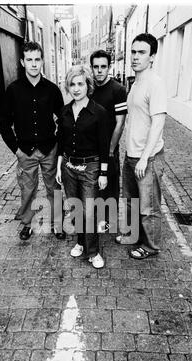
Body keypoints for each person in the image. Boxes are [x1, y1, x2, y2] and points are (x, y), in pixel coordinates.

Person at [0, 41, 65, 241]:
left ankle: (57, 224)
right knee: (27, 188)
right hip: (25, 150)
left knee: (53, 188)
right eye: (29, 60)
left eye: (37, 59)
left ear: (42, 61)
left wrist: (59, 149)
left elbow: (63, 121)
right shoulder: (13, 90)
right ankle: (27, 223)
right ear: (22, 62)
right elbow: (4, 123)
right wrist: (16, 150)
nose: (34, 64)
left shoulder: (52, 90)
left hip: (49, 148)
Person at [116, 33, 167, 259]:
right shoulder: (136, 82)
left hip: (147, 157)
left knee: (149, 207)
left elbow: (158, 122)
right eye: (133, 52)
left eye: (141, 52)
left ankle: (151, 246)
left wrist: (145, 157)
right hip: (131, 154)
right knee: (132, 203)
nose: (135, 57)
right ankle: (135, 236)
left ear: (152, 56)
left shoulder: (155, 83)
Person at [56, 65, 110, 269]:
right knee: (75, 208)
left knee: (89, 211)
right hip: (69, 166)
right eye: (72, 84)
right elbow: (61, 140)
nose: (76, 88)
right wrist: (60, 164)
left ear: (88, 85)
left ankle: (93, 251)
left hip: (91, 168)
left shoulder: (99, 112)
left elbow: (104, 146)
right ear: (68, 87)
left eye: (80, 84)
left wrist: (103, 173)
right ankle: (80, 242)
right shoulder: (65, 111)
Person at [90, 50, 127, 232]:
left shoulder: (118, 90)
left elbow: (120, 124)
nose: (99, 71)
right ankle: (96, 218)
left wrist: (110, 150)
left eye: (103, 67)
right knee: (94, 184)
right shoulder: (89, 88)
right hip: (91, 149)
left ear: (109, 67)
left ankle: (109, 221)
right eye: (96, 67)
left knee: (110, 186)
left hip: (110, 148)